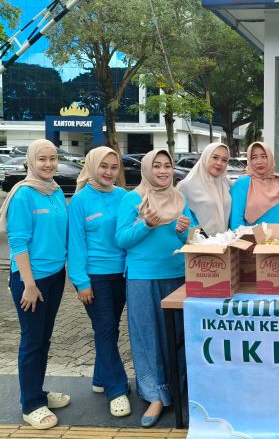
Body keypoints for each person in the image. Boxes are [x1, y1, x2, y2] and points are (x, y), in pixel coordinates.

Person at [116, 149, 194, 427]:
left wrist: (183, 230)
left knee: (178, 335)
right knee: (148, 336)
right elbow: (121, 239)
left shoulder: (179, 198)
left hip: (177, 274)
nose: (163, 171)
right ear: (147, 169)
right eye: (157, 166)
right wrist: (146, 224)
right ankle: (155, 395)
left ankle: (177, 386)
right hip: (144, 277)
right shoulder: (133, 198)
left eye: (167, 166)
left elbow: (190, 237)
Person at [0, 139, 69, 430]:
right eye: (42, 159)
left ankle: (38, 392)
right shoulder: (23, 194)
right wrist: (29, 284)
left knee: (44, 339)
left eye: (52, 158)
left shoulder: (55, 191)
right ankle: (30, 404)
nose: (48, 164)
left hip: (55, 276)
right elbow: (18, 242)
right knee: (31, 341)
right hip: (31, 280)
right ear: (30, 161)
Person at [67, 146, 130, 417]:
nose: (108, 172)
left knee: (110, 328)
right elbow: (75, 244)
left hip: (122, 274)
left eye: (114, 167)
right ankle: (116, 389)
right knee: (104, 328)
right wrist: (81, 281)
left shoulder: (124, 196)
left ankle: (100, 377)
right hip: (94, 276)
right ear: (92, 166)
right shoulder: (79, 201)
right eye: (103, 166)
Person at [178, 143, 230, 235]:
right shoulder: (186, 186)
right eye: (215, 157)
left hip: (224, 240)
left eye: (224, 160)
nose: (219, 163)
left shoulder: (225, 183)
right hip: (199, 240)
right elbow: (178, 218)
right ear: (205, 157)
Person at [230, 141, 279, 229]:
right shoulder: (243, 182)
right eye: (254, 157)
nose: (259, 161)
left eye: (264, 156)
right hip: (252, 236)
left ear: (270, 158)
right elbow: (236, 221)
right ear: (249, 160)